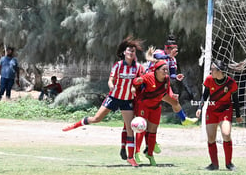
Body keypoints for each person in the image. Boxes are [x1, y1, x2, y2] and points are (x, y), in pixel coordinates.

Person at [62, 36, 144, 167]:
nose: (131, 52)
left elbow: (141, 80)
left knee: (130, 128)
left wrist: (136, 86)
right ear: (124, 52)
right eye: (129, 50)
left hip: (127, 100)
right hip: (113, 97)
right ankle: (74, 125)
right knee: (96, 119)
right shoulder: (118, 66)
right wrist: (111, 85)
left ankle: (130, 157)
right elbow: (110, 79)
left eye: (133, 51)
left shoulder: (138, 67)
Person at [132, 60, 190, 166]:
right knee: (141, 128)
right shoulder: (149, 76)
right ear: (156, 70)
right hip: (144, 105)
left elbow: (168, 90)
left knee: (153, 130)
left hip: (156, 107)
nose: (166, 71)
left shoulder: (166, 79)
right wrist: (137, 82)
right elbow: (136, 82)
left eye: (167, 70)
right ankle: (137, 152)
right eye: (163, 69)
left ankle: (150, 155)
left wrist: (172, 96)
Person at [196, 60, 243, 171]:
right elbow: (205, 95)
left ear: (220, 71)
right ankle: (214, 164)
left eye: (212, 69)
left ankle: (229, 163)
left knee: (226, 134)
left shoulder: (231, 83)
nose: (210, 71)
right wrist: (199, 108)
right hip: (212, 110)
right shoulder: (209, 80)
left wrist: (238, 115)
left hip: (225, 110)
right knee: (211, 138)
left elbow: (235, 100)